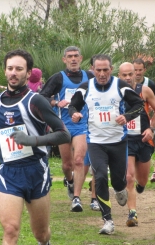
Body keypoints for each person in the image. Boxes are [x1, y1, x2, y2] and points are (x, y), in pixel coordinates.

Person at [0, 49, 71, 245]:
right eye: (10, 68)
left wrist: (32, 140)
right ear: (5, 70)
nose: (14, 73)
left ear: (28, 73)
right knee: (10, 229)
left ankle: (44, 244)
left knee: (40, 231)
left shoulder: (36, 101)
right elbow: (4, 128)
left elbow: (63, 134)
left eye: (19, 69)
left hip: (35, 171)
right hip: (8, 172)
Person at [68, 54, 144, 234]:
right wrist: (75, 114)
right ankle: (107, 220)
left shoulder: (120, 86)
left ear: (111, 69)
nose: (102, 74)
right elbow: (73, 106)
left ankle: (119, 190)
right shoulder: (86, 88)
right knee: (100, 176)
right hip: (95, 142)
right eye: (98, 70)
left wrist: (126, 116)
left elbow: (139, 105)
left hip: (118, 141)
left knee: (119, 181)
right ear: (93, 70)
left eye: (105, 70)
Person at [40, 46, 94, 212]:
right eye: (69, 56)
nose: (73, 59)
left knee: (79, 160)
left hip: (82, 124)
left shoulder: (89, 76)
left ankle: (77, 199)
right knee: (67, 165)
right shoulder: (58, 78)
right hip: (62, 125)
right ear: (64, 59)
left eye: (76, 56)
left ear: (81, 58)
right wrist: (56, 102)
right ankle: (69, 181)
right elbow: (41, 97)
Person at [118, 62, 155, 227]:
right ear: (119, 76)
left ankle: (140, 187)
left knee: (142, 181)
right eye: (125, 75)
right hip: (125, 139)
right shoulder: (115, 92)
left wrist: (151, 128)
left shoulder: (144, 90)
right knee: (129, 177)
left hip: (143, 139)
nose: (128, 78)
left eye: (131, 74)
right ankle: (132, 213)